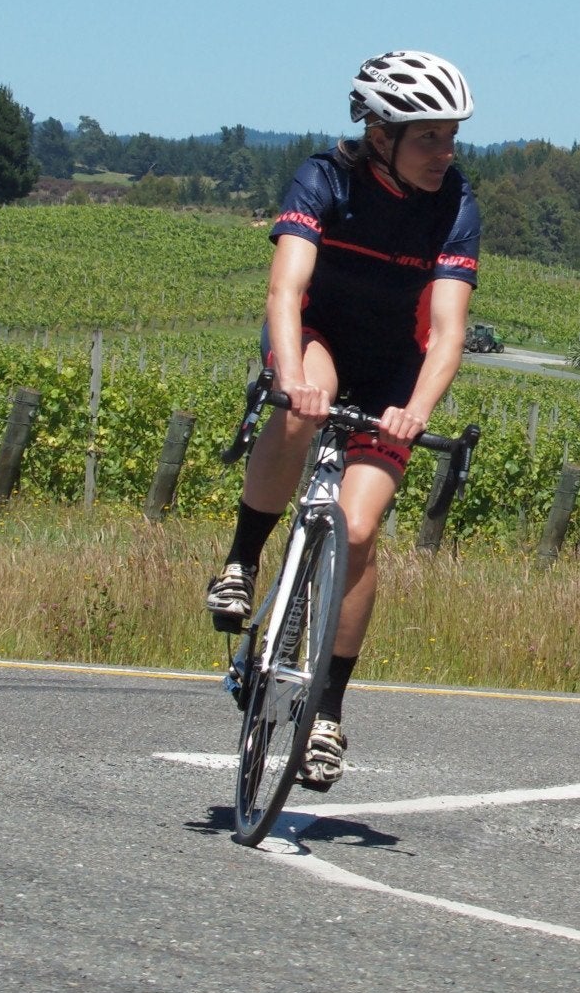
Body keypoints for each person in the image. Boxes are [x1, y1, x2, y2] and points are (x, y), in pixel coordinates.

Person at [206, 50, 481, 791]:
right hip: (317, 337)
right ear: (381, 134)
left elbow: (448, 332)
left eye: (452, 137)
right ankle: (241, 561)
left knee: (358, 532)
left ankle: (326, 710)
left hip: (394, 369)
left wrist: (415, 413)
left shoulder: (455, 205)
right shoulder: (324, 178)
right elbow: (286, 288)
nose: (445, 152)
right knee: (301, 413)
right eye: (429, 137)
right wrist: (291, 379)